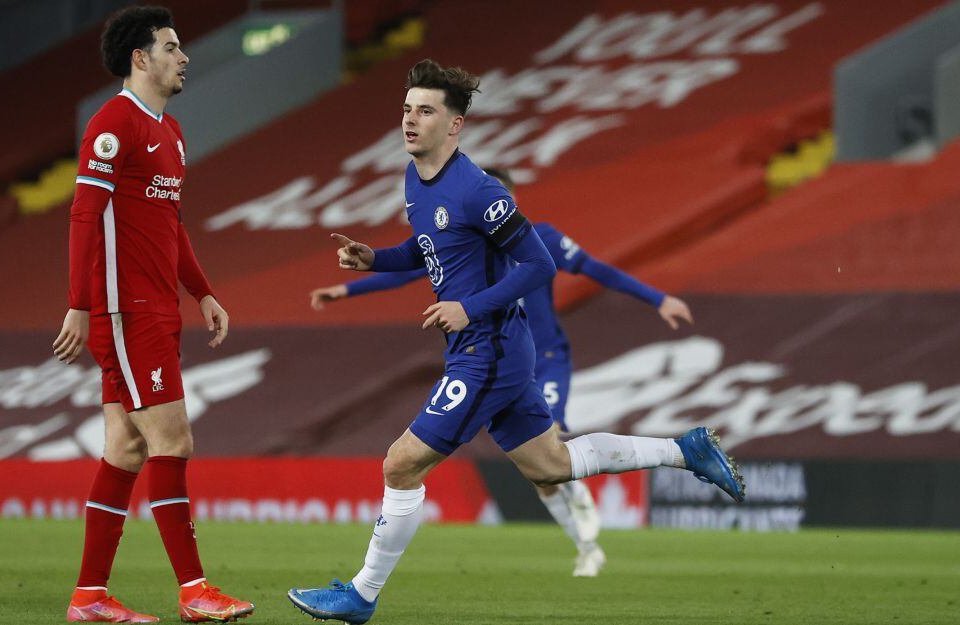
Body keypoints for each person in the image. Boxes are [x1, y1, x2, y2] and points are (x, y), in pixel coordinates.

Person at [287, 59, 744, 625]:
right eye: (406, 109)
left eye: (425, 111)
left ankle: (361, 594)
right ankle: (686, 451)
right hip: (483, 347)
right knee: (551, 465)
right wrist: (374, 259)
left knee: (401, 465)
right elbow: (428, 249)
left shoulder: (480, 191)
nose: (410, 120)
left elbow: (539, 263)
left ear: (454, 125)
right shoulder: (414, 179)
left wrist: (468, 307)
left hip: (489, 351)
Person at [309, 168, 695, 577]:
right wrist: (347, 289)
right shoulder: (466, 244)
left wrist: (658, 299)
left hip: (543, 357)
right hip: (500, 355)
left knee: (553, 444)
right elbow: (410, 266)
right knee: (545, 471)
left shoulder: (540, 239)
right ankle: (586, 545)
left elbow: (597, 270)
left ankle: (592, 498)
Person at [52, 6, 254, 623]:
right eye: (171, 46)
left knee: (125, 449)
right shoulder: (112, 125)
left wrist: (204, 291)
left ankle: (89, 598)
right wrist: (81, 306)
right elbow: (84, 218)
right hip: (124, 310)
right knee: (173, 439)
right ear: (141, 58)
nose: (183, 56)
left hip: (155, 306)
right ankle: (194, 591)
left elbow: (170, 224)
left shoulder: (172, 132)